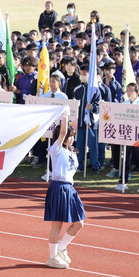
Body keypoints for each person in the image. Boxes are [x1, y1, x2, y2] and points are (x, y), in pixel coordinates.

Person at [44, 108, 85, 268]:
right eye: (69, 136)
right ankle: (52, 256)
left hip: (70, 189)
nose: (71, 139)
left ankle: (61, 248)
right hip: (58, 187)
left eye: (72, 136)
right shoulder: (57, 149)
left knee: (79, 223)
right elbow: (61, 133)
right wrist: (65, 116)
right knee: (57, 225)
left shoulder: (72, 153)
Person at [115, 83, 139, 193]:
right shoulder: (124, 103)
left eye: (131, 90)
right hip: (127, 135)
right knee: (125, 159)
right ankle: (123, 182)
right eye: (127, 90)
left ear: (137, 92)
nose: (128, 92)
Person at [73, 64, 101, 174]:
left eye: (85, 74)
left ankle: (95, 166)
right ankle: (79, 165)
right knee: (79, 146)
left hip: (91, 123)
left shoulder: (95, 90)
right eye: (81, 74)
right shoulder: (77, 89)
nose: (83, 76)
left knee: (92, 146)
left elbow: (99, 107)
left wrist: (92, 107)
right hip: (79, 123)